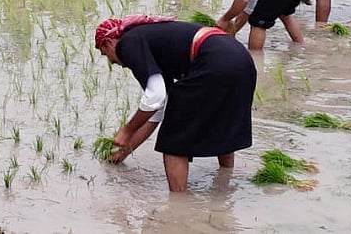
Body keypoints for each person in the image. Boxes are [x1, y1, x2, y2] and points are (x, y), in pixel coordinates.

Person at [94, 15, 256, 192]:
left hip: (214, 62)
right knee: (222, 124)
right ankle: (224, 182)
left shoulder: (127, 43)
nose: (111, 61)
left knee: (173, 141)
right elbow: (157, 107)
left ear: (109, 42)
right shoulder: (149, 41)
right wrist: (125, 150)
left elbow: (154, 96)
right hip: (242, 60)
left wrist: (127, 130)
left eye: (105, 54)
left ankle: (178, 206)